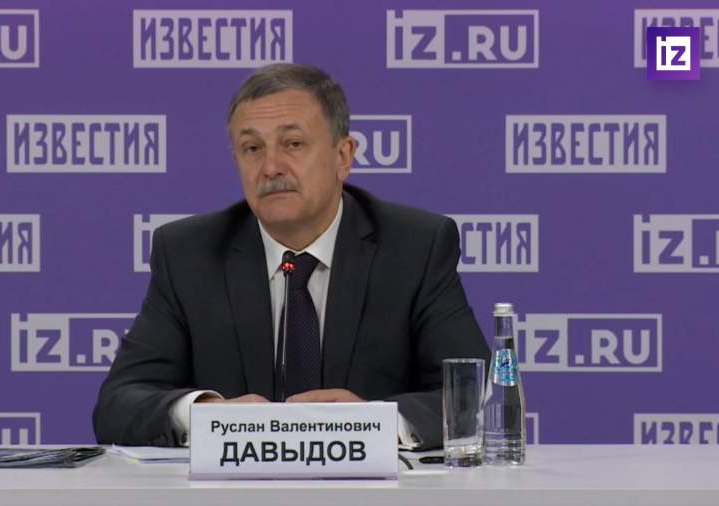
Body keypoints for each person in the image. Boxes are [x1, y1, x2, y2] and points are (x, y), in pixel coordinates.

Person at [93, 63, 488, 450]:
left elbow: (474, 392)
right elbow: (118, 403)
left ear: (343, 156)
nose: (270, 167)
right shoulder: (189, 254)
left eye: (293, 144)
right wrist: (205, 414)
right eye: (252, 148)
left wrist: (372, 422)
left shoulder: (414, 247)